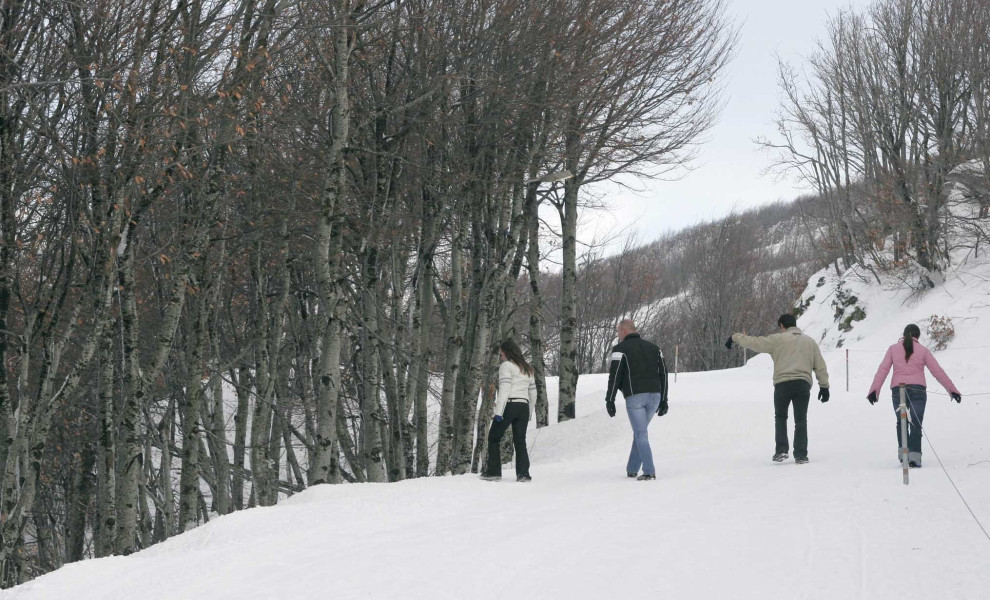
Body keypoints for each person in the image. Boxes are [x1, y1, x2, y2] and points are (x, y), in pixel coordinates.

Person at [726, 314, 829, 464]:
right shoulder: (810, 342)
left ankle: (781, 450)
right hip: (802, 384)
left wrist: (735, 337)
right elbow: (820, 365)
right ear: (795, 324)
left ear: (782, 326)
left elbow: (754, 342)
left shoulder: (777, 339)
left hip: (783, 384)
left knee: (781, 417)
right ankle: (801, 455)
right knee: (801, 419)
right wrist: (824, 386)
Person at [866, 324, 961, 468]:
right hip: (918, 391)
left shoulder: (893, 349)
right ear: (918, 336)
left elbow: (882, 370)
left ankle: (904, 455)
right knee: (915, 424)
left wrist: (874, 390)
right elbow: (938, 371)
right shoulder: (923, 351)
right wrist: (952, 390)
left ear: (903, 334)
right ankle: (915, 458)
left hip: (898, 391)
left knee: (901, 422)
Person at [604, 319, 669, 481]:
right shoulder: (654, 348)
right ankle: (632, 468)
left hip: (635, 397)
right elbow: (664, 374)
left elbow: (615, 375)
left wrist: (610, 400)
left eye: (618, 332)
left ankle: (649, 471)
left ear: (624, 330)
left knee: (640, 434)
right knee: (640, 432)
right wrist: (664, 399)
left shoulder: (620, 349)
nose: (618, 335)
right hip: (655, 395)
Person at [481, 339, 537, 482]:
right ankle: (523, 474)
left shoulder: (506, 366)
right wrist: (529, 412)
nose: (501, 356)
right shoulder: (528, 368)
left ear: (506, 352)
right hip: (523, 406)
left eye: (501, 354)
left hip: (510, 405)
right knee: (520, 441)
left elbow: (505, 390)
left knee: (494, 437)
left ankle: (494, 472)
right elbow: (533, 394)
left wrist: (498, 412)